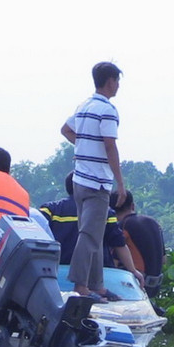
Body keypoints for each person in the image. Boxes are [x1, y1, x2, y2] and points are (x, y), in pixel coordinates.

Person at [61, 62, 126, 300]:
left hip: (80, 179)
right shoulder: (108, 110)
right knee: (89, 235)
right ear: (110, 81)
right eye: (117, 80)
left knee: (94, 234)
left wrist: (83, 145)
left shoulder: (84, 106)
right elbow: (110, 145)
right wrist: (120, 182)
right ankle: (80, 285)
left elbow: (66, 130)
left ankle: (97, 285)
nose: (118, 85)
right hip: (98, 181)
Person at [39, 172, 143, 293]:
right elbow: (119, 244)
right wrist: (133, 270)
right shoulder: (105, 212)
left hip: (56, 279)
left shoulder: (50, 210)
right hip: (96, 280)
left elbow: (38, 237)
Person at [111, 190, 166, 298]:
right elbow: (164, 260)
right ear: (133, 206)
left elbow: (114, 263)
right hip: (155, 285)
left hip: (136, 283)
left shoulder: (122, 226)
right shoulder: (153, 222)